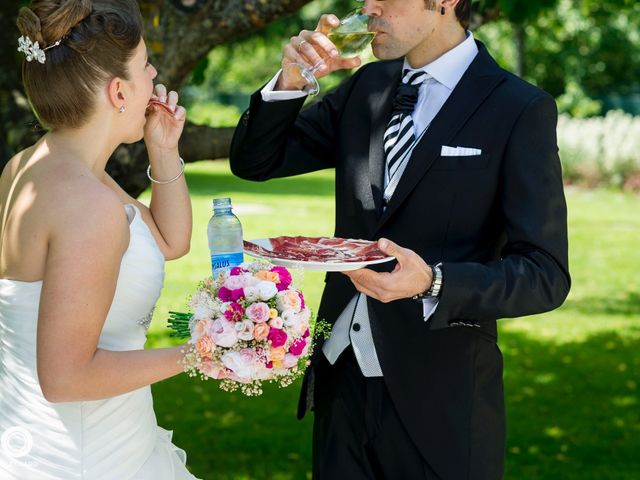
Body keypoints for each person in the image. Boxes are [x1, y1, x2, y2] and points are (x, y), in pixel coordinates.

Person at [230, 0, 571, 478]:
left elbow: (545, 274)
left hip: (441, 400)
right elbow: (255, 161)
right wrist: (291, 80)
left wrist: (433, 282)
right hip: (340, 383)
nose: (368, 7)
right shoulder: (366, 87)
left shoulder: (518, 108)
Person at [0, 1, 198, 478]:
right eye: (146, 67)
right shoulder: (89, 207)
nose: (155, 78)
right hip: (85, 460)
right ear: (118, 91)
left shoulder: (34, 164)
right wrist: (202, 353)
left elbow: (170, 242)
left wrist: (164, 150)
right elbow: (66, 378)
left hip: (87, 440)